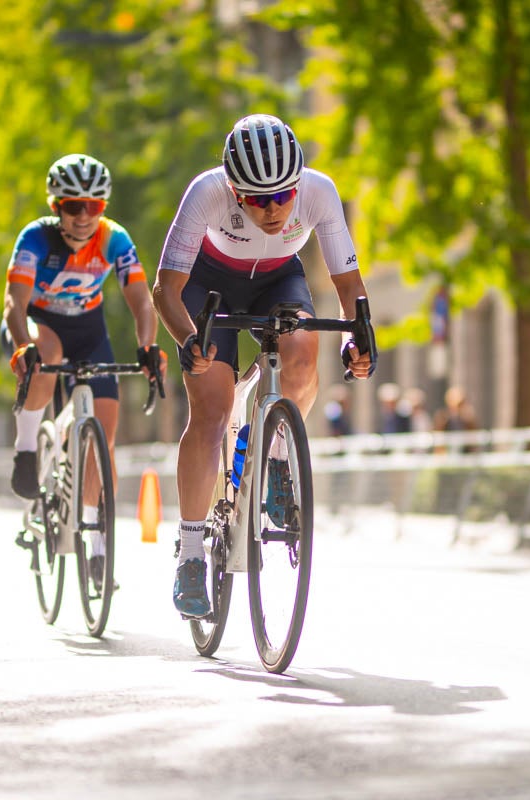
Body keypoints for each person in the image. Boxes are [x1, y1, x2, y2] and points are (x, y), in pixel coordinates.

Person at [151, 114, 375, 618]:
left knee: (301, 350)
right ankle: (189, 552)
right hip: (208, 287)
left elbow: (348, 287)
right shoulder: (205, 193)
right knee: (211, 408)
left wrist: (357, 338)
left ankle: (273, 452)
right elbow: (165, 287)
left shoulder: (320, 191)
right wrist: (189, 339)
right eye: (256, 199)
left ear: (299, 183)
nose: (274, 209)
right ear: (234, 190)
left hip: (279, 279)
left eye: (284, 196)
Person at [2, 154, 161, 573]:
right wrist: (23, 345)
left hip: (89, 330)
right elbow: (13, 305)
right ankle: (26, 448)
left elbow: (142, 300)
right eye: (74, 206)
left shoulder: (115, 239)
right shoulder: (36, 238)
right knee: (47, 355)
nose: (84, 216)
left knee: (104, 435)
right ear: (57, 207)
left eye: (94, 206)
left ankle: (95, 538)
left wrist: (148, 347)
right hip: (38, 324)